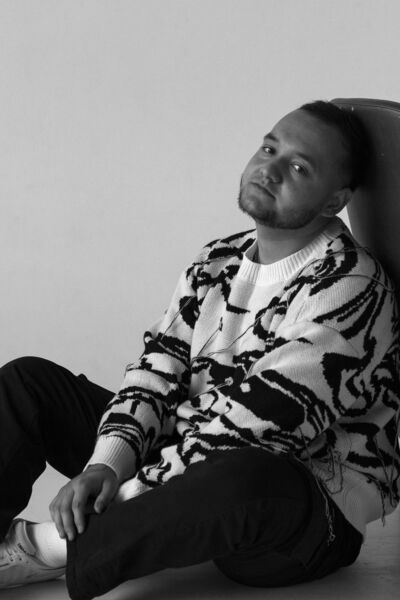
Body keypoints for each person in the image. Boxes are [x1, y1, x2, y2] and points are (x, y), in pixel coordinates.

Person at [0, 100, 399, 600]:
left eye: (299, 167)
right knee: (28, 383)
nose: (270, 169)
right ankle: (145, 520)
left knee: (244, 472)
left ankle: (41, 548)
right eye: (269, 148)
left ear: (334, 200)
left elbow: (252, 429)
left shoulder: (351, 285)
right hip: (189, 458)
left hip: (301, 505)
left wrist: (127, 495)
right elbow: (156, 370)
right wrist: (107, 464)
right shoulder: (217, 259)